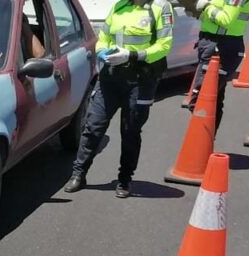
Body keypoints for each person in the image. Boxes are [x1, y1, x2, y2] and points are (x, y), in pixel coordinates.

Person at [63, 0, 174, 198]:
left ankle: (125, 179)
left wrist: (132, 55)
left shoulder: (160, 7)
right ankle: (78, 174)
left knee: (130, 131)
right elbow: (104, 36)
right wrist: (102, 51)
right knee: (93, 126)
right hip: (111, 77)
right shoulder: (120, 5)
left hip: (140, 80)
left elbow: (164, 46)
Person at [187, 0, 249, 130]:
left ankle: (201, 138)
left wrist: (207, 7)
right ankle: (204, 140)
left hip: (222, 46)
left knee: (201, 100)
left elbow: (226, 20)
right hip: (211, 42)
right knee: (213, 100)